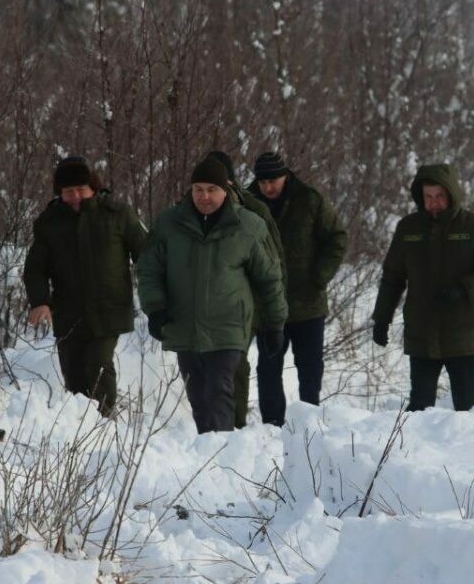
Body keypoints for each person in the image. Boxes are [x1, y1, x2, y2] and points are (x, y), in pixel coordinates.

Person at [138, 157, 287, 434]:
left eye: (211, 189)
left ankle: (221, 453)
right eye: (198, 189)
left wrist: (275, 323)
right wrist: (155, 307)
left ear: (225, 190)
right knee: (198, 396)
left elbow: (269, 278)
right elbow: (148, 269)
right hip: (184, 323)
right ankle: (209, 455)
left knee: (220, 389)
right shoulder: (169, 223)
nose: (204, 196)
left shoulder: (248, 225)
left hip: (229, 324)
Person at [371, 164, 474, 410]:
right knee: (419, 407)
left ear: (452, 193)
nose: (434, 202)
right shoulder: (408, 228)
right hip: (422, 332)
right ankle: (413, 449)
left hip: (464, 331)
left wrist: (465, 288)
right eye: (428, 197)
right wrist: (382, 318)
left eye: (440, 196)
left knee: (467, 407)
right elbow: (393, 276)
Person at [23, 156, 147, 416]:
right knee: (74, 374)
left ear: (93, 187)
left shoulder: (117, 214)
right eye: (69, 192)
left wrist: (157, 294)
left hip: (109, 309)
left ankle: (103, 421)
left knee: (98, 364)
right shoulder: (50, 222)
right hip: (69, 312)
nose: (76, 196)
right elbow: (35, 268)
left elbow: (147, 255)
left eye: (81, 189)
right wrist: (40, 301)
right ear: (60, 193)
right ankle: (80, 432)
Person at [247, 151, 348, 426]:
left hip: (308, 303)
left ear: (285, 175)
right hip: (267, 305)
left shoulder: (309, 199)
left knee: (310, 368)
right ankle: (272, 424)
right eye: (263, 182)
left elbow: (337, 237)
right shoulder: (248, 204)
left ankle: (309, 421)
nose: (268, 187)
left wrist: (320, 275)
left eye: (273, 180)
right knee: (268, 368)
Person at [198, 151, 287, 429]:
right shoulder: (189, 211)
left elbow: (274, 264)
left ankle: (233, 426)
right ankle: (210, 425)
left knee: (235, 364)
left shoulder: (253, 211)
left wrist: (272, 317)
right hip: (203, 305)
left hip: (244, 305)